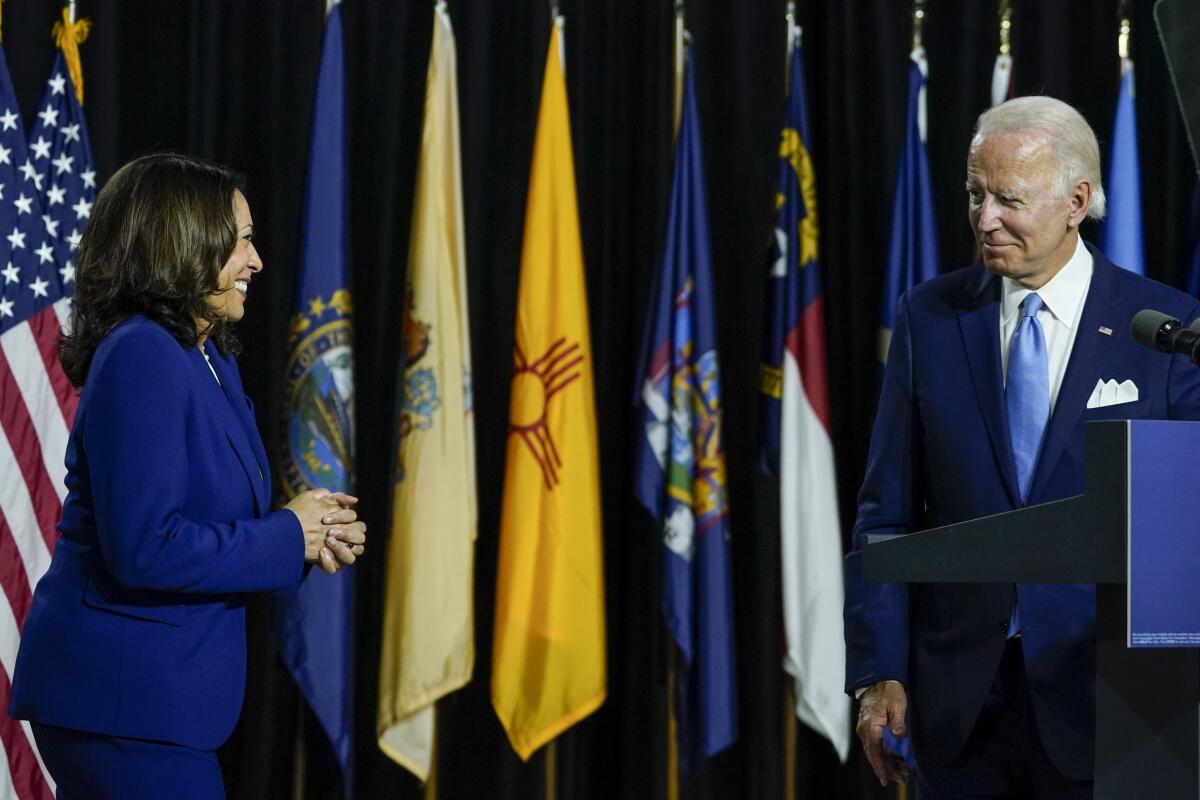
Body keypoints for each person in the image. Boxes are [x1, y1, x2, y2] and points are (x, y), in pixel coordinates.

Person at [844, 96, 1200, 798]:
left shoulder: (1163, 327)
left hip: (1112, 700)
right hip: (958, 703)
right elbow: (885, 510)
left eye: (1009, 198)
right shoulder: (930, 318)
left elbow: (1181, 524)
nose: (984, 219)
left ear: (1076, 201)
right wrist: (877, 671)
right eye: (975, 194)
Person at [8, 153, 367, 799]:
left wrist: (307, 535)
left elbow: (210, 522)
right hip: (119, 704)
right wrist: (287, 535)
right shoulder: (141, 355)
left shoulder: (204, 355)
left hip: (159, 706)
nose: (255, 262)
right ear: (181, 243)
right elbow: (147, 548)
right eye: (240, 242)